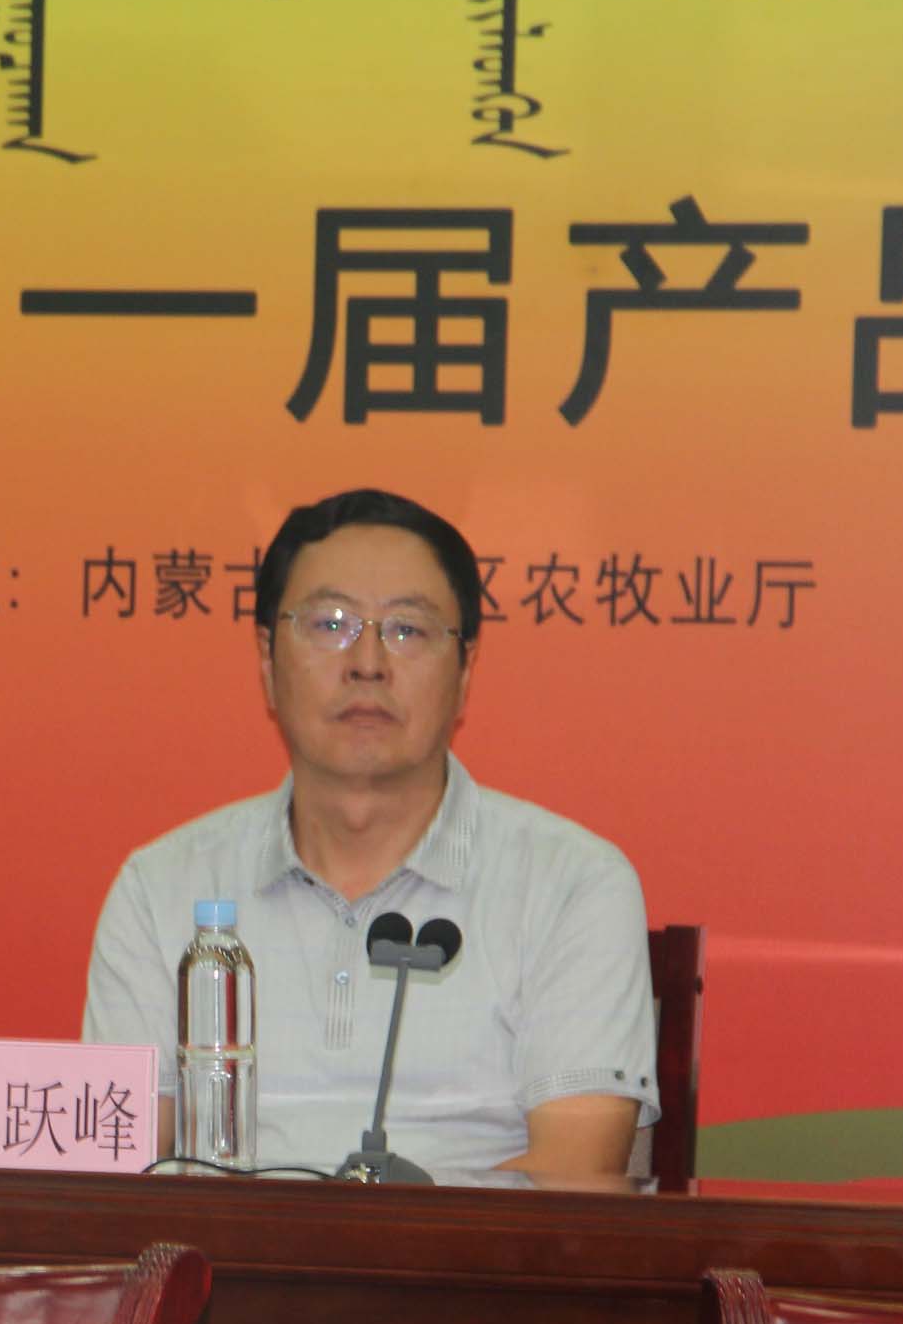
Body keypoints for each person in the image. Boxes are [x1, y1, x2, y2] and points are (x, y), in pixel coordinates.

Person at [83, 488, 658, 1178]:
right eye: (330, 624)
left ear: (465, 670)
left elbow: (573, 1173)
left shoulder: (573, 884)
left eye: (408, 630)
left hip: (471, 1253)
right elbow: (120, 1169)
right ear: (267, 659)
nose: (367, 663)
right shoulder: (161, 888)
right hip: (225, 1251)